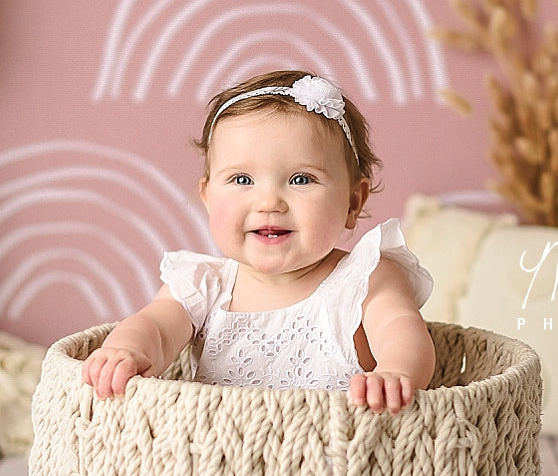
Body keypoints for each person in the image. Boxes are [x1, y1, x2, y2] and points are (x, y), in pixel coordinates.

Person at [82, 69, 435, 414]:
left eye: (301, 179)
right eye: (241, 179)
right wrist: (126, 351)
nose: (269, 202)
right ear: (207, 197)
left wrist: (396, 371)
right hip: (217, 459)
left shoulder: (364, 278)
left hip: (337, 460)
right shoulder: (204, 284)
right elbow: (155, 328)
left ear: (352, 201)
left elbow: (399, 328)